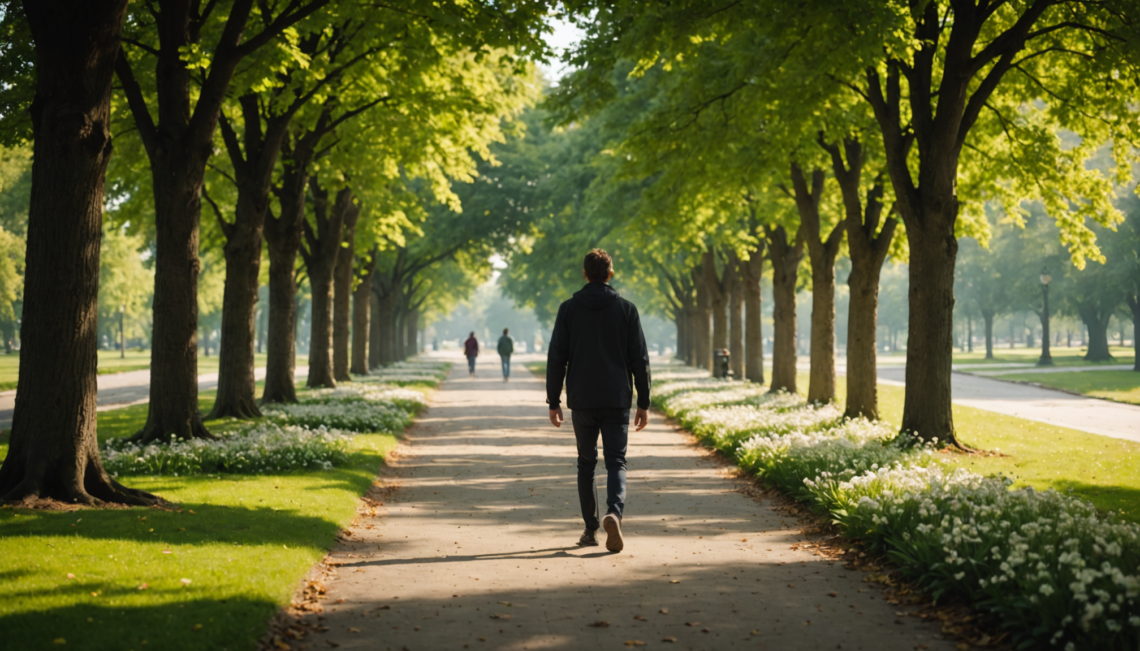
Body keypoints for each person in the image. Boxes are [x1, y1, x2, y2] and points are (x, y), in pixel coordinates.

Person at [546, 248, 650, 553]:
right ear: (610, 274)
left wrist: (553, 400)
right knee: (616, 460)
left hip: (583, 398)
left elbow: (557, 357)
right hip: (617, 397)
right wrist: (644, 402)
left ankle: (591, 529)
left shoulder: (568, 309)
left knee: (586, 463)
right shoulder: (627, 310)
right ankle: (614, 513)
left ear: (584, 274)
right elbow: (639, 359)